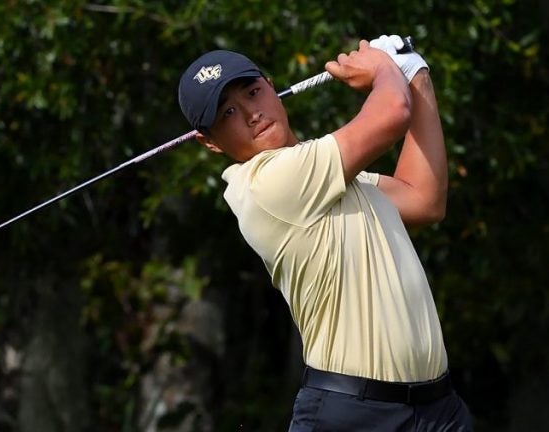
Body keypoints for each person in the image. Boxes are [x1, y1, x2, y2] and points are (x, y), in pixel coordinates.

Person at [177, 35, 474, 430]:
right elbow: (392, 112)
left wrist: (415, 74)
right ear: (209, 142)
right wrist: (384, 67)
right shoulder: (268, 183)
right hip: (354, 415)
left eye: (253, 92)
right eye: (228, 112)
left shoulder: (334, 178)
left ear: (271, 86)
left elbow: (423, 198)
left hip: (438, 411)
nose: (252, 113)